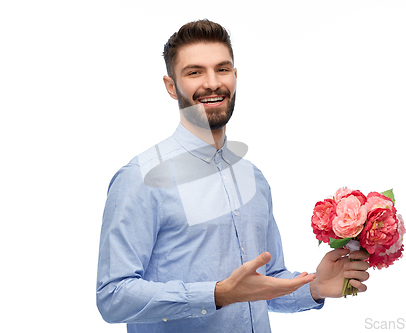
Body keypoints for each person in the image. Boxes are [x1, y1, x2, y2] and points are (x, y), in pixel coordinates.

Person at [96, 19, 369, 333]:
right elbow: (112, 297)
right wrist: (216, 294)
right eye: (194, 72)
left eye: (222, 69)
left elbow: (265, 285)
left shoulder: (254, 178)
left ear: (235, 77)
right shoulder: (140, 178)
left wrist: (315, 286)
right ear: (171, 86)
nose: (212, 83)